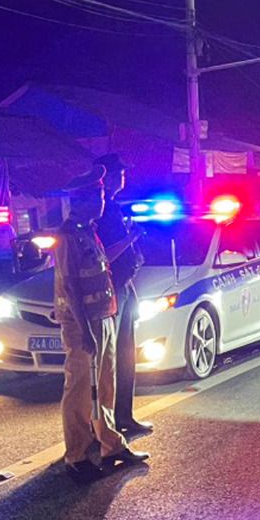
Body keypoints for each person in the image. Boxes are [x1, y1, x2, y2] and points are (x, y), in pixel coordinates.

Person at [54, 166, 149, 484]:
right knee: (81, 390)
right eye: (97, 196)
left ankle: (111, 446)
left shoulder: (87, 231)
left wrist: (131, 239)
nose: (102, 201)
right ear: (80, 201)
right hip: (84, 324)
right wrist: (84, 330)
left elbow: (103, 262)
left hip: (104, 316)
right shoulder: (68, 237)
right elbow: (70, 287)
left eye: (103, 195)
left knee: (105, 386)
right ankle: (77, 456)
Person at [92, 154, 151, 440]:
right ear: (109, 177)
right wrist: (133, 236)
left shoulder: (113, 208)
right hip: (112, 287)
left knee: (126, 354)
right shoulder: (103, 211)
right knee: (113, 357)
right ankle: (110, 421)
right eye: (120, 173)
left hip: (124, 286)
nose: (123, 178)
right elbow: (105, 254)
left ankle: (124, 416)